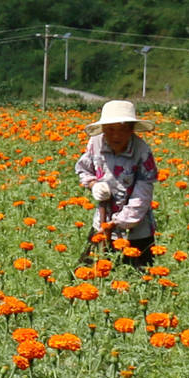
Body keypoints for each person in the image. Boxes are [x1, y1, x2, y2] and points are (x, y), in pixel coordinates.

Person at [74, 99, 160, 264]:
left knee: (137, 277)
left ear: (132, 130)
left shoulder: (142, 151)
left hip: (135, 230)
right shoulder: (96, 142)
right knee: (89, 274)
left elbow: (142, 196)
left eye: (123, 130)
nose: (116, 135)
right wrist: (94, 185)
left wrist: (117, 223)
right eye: (110, 129)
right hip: (101, 221)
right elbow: (83, 169)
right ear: (103, 128)